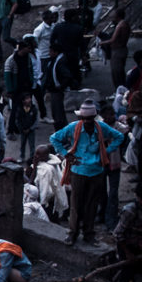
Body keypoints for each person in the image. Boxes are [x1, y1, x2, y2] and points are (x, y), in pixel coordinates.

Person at [50, 100, 125, 244]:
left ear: (94, 118)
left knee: (92, 204)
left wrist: (106, 151)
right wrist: (67, 154)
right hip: (78, 170)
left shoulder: (101, 127)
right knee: (76, 204)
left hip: (96, 171)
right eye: (84, 119)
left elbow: (119, 137)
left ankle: (89, 233)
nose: (87, 122)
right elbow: (54, 138)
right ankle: (73, 233)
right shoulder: (74, 128)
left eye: (89, 119)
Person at [32, 144, 70, 220]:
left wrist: (43, 200)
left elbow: (45, 188)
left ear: (45, 156)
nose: (36, 156)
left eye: (38, 154)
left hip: (48, 198)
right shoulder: (52, 163)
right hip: (52, 196)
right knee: (53, 215)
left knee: (48, 217)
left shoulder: (47, 169)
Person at [31, 10, 56, 120]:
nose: (53, 19)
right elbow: (35, 43)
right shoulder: (39, 29)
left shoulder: (52, 27)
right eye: (51, 18)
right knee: (43, 78)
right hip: (43, 57)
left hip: (50, 55)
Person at [15, 93, 39, 162]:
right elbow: (17, 120)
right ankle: (22, 156)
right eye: (27, 99)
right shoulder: (20, 109)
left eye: (29, 98)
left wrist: (31, 128)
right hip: (23, 130)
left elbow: (36, 120)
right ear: (23, 101)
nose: (29, 100)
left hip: (31, 130)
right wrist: (21, 128)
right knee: (22, 144)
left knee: (32, 144)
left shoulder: (34, 109)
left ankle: (32, 158)